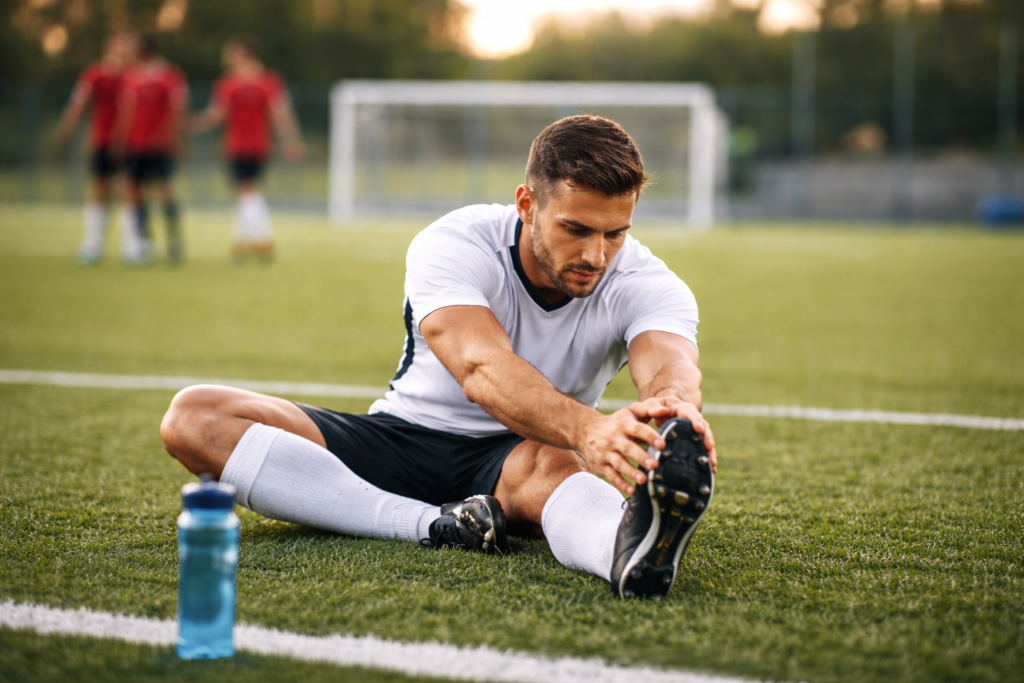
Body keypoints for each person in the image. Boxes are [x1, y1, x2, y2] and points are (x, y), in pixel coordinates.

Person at [160, 116, 719, 599]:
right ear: (527, 204)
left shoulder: (647, 281)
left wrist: (673, 413)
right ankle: (432, 526)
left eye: (615, 233)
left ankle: (626, 553)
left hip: (519, 461)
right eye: (575, 229)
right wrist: (589, 429)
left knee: (556, 463)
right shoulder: (456, 242)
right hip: (401, 438)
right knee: (196, 418)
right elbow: (479, 366)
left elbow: (670, 364)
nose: (596, 254)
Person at [192, 35, 304, 263]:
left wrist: (291, 141)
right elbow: (218, 113)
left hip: (252, 145)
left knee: (245, 190)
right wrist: (194, 124)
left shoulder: (265, 81)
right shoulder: (229, 83)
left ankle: (262, 237)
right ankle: (240, 242)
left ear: (243, 54)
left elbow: (280, 114)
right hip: (239, 145)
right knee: (246, 191)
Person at [56, 32, 137, 265]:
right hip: (102, 140)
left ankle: (131, 246)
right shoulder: (95, 73)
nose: (122, 49)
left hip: (129, 142)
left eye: (126, 44)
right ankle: (93, 244)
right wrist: (68, 125)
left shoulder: (134, 74)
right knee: (100, 189)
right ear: (109, 46)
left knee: (129, 190)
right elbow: (79, 101)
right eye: (118, 43)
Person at [113, 33, 189, 264]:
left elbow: (178, 110)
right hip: (136, 144)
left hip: (159, 144)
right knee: (134, 190)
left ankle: (174, 239)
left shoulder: (170, 76)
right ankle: (145, 242)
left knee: (164, 189)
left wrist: (175, 138)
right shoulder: (131, 77)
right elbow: (126, 113)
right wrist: (120, 141)